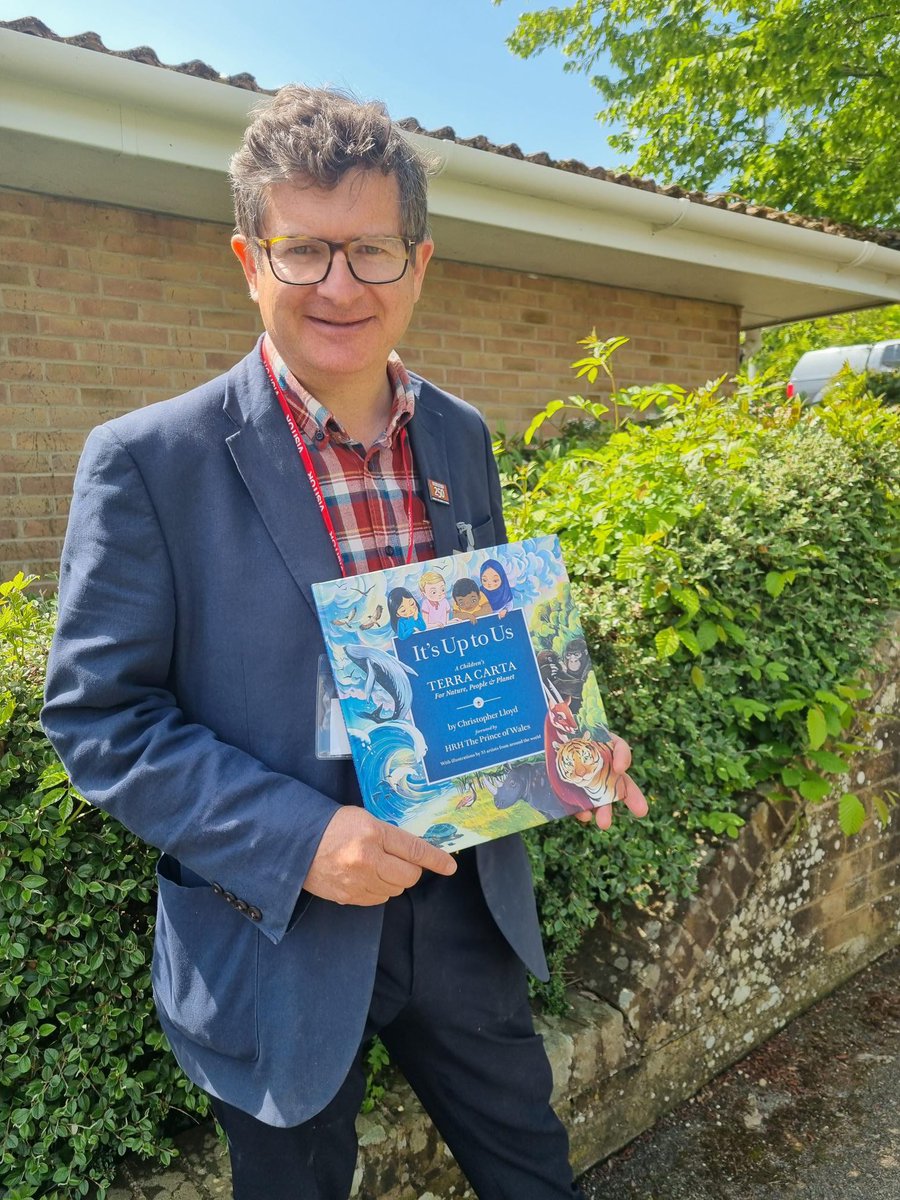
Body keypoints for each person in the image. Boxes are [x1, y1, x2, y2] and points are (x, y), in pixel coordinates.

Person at [41, 85, 648, 1200]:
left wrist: (569, 739)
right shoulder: (146, 462)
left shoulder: (460, 436)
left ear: (418, 264)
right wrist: (303, 838)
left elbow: (487, 641)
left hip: (463, 907)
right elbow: (98, 718)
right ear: (248, 259)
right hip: (273, 939)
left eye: (371, 251)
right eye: (305, 250)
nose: (339, 286)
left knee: (537, 1176)